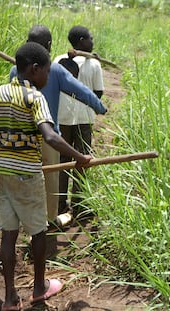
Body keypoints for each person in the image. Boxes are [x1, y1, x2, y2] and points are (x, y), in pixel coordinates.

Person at [0, 41, 92, 311]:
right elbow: (49, 135)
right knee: (38, 231)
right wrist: (79, 158)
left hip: (0, 170)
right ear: (35, 69)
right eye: (47, 71)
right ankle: (39, 288)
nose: (48, 76)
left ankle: (10, 298)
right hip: (26, 173)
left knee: (8, 234)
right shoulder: (35, 98)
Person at [9, 25, 107, 224]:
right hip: (48, 138)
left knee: (27, 180)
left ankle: (27, 218)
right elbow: (81, 90)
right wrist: (99, 106)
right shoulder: (53, 69)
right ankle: (49, 221)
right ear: (49, 46)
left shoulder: (15, 70)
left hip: (22, 137)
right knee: (50, 184)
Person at [54, 25, 104, 218]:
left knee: (62, 160)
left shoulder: (58, 60)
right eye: (90, 38)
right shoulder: (94, 65)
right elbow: (98, 93)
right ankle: (79, 204)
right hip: (84, 118)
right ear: (82, 41)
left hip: (63, 117)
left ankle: (59, 203)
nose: (92, 41)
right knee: (82, 159)